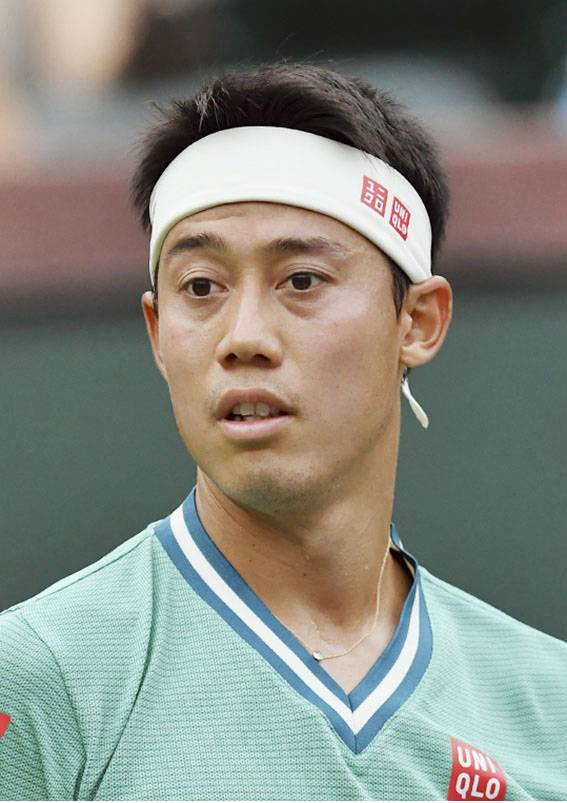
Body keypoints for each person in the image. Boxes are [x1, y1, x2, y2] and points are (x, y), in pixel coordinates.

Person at [1, 61, 565, 801]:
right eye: (200, 287)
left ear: (417, 321)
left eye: (301, 280)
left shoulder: (547, 705)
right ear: (156, 329)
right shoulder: (44, 673)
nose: (243, 337)